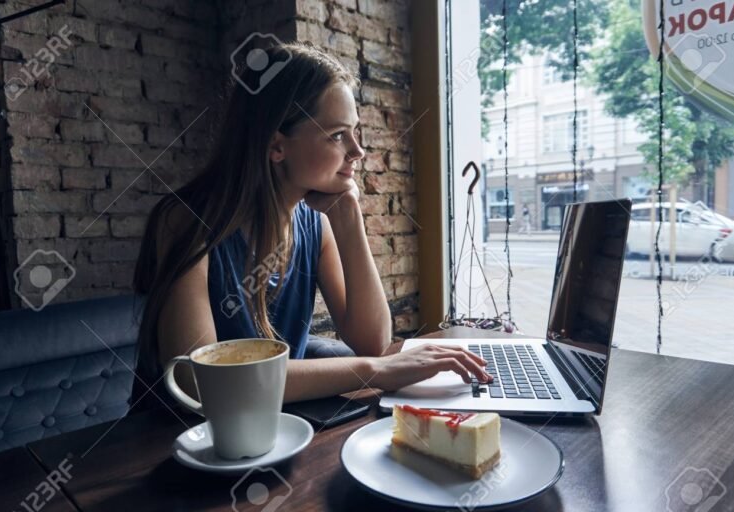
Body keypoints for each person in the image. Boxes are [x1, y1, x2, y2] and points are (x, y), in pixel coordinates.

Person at [131, 42, 491, 409]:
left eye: (355, 132)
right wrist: (375, 370)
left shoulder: (316, 225)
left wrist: (349, 217)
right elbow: (199, 381)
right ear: (277, 147)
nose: (357, 151)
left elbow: (374, 341)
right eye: (337, 135)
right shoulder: (184, 221)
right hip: (169, 443)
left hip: (269, 429)